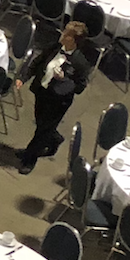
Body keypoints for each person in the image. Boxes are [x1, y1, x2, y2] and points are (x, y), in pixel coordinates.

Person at [15, 21, 94, 174]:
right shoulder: (55, 47)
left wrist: (64, 79)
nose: (62, 35)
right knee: (41, 124)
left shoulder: (81, 63)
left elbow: (80, 87)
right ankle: (54, 138)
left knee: (42, 130)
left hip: (59, 101)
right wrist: (23, 78)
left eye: (66, 34)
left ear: (73, 40)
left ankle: (29, 159)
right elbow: (38, 62)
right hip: (42, 91)